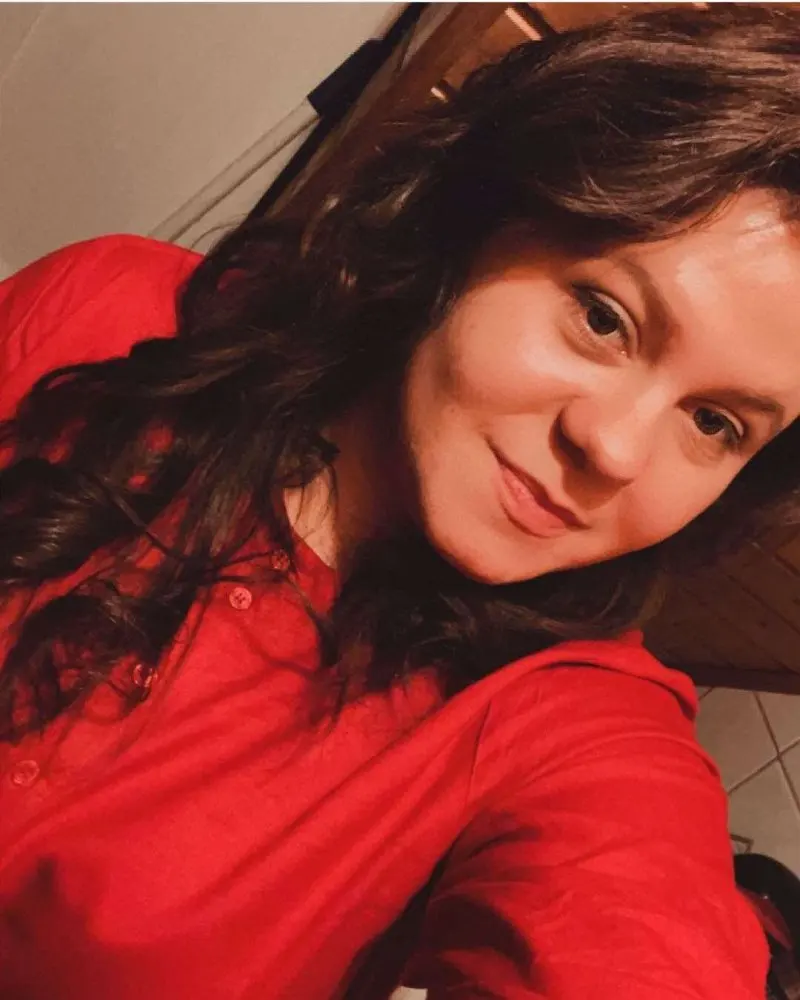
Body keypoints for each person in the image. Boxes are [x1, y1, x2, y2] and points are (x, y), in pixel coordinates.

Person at [1, 4, 799, 997]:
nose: (615, 448)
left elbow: (639, 931)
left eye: (715, 422)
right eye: (603, 317)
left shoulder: (568, 721)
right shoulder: (105, 312)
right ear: (473, 223)